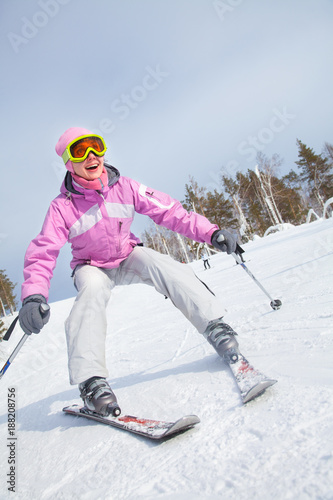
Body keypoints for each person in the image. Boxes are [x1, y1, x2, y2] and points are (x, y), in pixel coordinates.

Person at [19, 127, 242, 417]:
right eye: (80, 150)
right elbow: (43, 251)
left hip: (127, 254)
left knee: (165, 266)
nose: (91, 155)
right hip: (91, 266)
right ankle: (91, 382)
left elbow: (170, 212)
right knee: (92, 291)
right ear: (68, 163)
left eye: (96, 146)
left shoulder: (124, 187)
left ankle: (214, 325)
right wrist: (33, 296)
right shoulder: (62, 207)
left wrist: (211, 233)